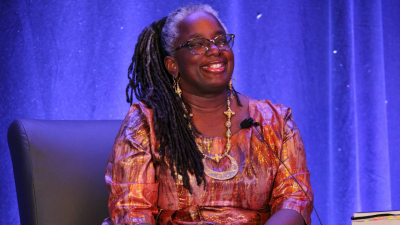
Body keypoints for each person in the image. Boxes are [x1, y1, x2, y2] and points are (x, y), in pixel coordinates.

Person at [103, 4, 313, 225]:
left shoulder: (275, 121)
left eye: (221, 40)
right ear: (172, 64)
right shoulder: (147, 122)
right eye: (197, 44)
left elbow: (295, 199)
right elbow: (133, 211)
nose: (215, 50)